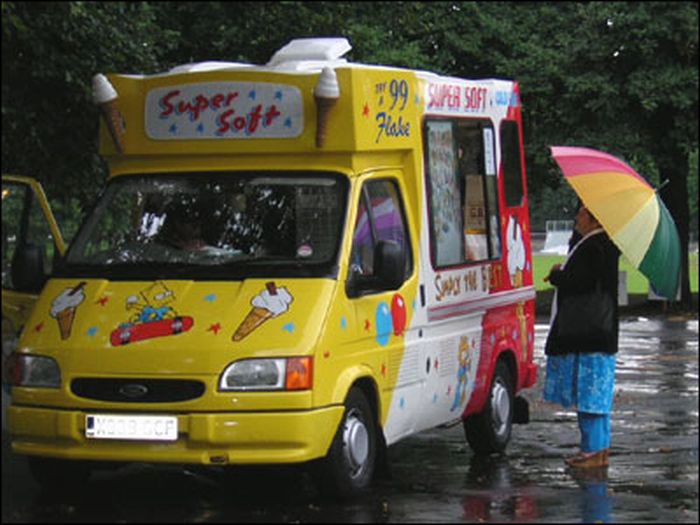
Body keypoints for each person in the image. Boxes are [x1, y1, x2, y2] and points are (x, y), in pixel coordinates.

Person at [543, 205, 620, 468]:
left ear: (594, 219)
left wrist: (557, 275)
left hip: (590, 333)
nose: (577, 217)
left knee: (591, 396)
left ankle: (593, 450)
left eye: (583, 213)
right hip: (596, 332)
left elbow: (580, 283)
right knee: (595, 396)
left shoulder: (595, 246)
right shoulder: (598, 244)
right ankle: (598, 449)